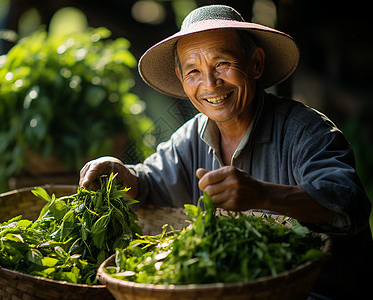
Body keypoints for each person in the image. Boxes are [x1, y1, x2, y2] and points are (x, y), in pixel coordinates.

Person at [79, 5, 372, 299]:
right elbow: (151, 180)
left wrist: (262, 194)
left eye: (222, 64)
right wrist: (121, 172)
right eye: (193, 71)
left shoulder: (305, 131)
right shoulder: (192, 134)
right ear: (181, 79)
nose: (210, 83)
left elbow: (348, 202)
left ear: (255, 64)